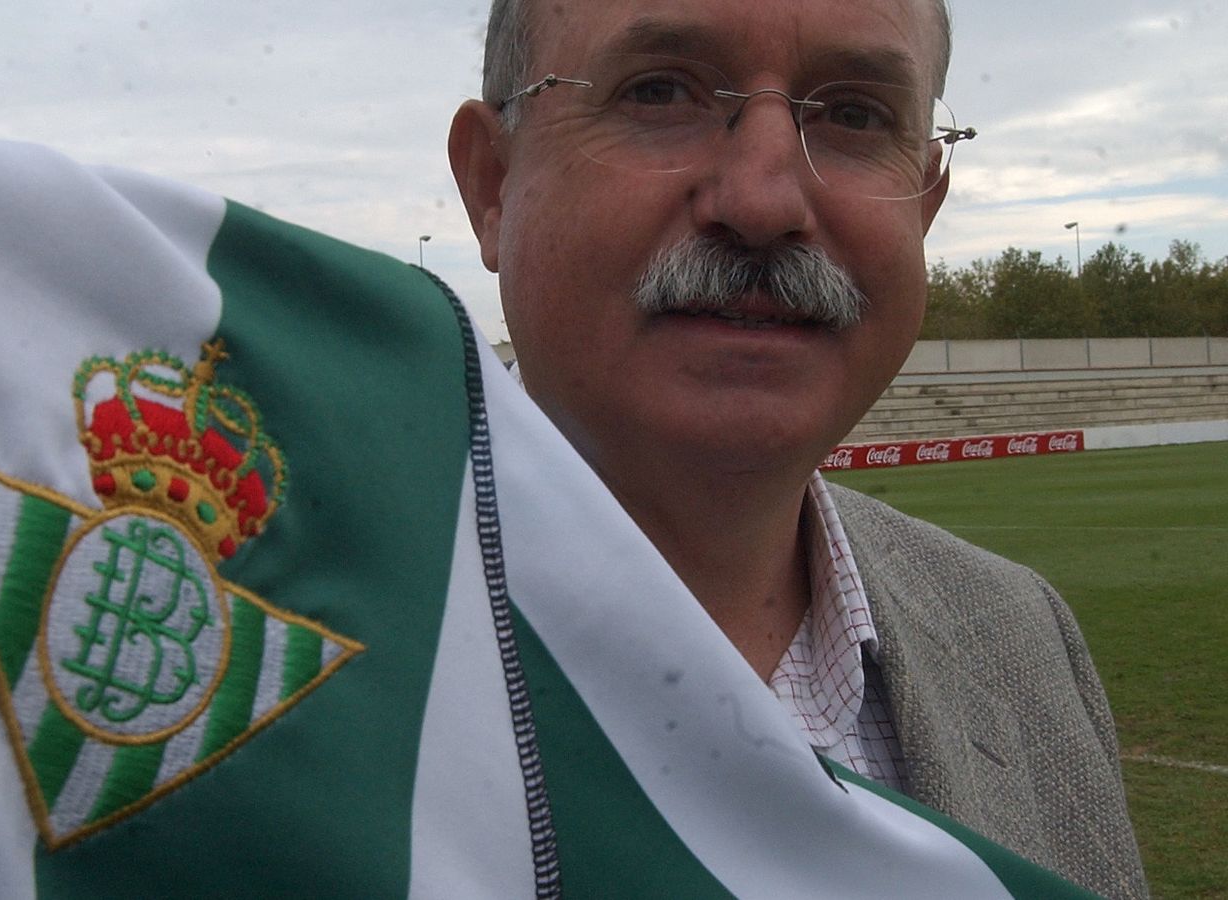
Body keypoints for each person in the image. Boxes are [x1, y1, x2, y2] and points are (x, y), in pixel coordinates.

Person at [447, 0, 1147, 896]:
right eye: (660, 91)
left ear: (925, 205)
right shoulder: (277, 661)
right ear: (493, 183)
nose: (764, 201)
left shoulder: (1022, 637)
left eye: (854, 115)